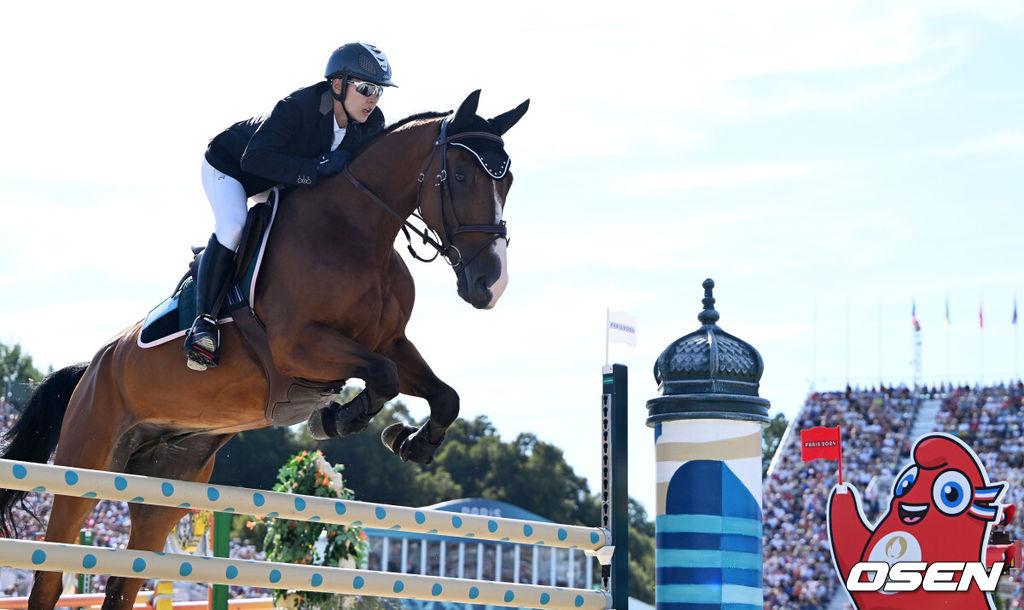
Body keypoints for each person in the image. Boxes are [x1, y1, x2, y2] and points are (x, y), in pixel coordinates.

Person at [183, 42, 396, 371]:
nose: (373, 99)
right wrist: (317, 166)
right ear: (337, 85)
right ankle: (204, 324)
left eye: (379, 91)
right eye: (366, 88)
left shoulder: (371, 123)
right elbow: (254, 159)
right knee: (234, 226)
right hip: (232, 167)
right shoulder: (299, 106)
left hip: (285, 179)